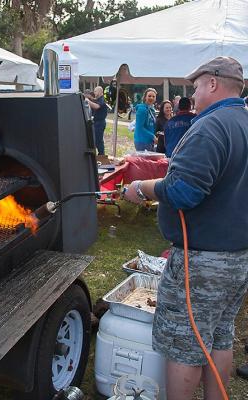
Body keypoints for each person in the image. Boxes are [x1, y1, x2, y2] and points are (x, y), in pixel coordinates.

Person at [124, 56, 248, 400]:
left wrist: (143, 188)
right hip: (237, 258)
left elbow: (184, 191)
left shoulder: (212, 126)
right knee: (219, 336)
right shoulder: (243, 121)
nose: (191, 93)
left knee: (184, 345)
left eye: (195, 85)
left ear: (213, 83)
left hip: (202, 262)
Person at [86, 86, 107, 155]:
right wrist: (89, 98)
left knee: (98, 141)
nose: (94, 93)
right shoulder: (98, 99)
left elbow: (97, 106)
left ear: (100, 92)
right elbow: (94, 100)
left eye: (95, 91)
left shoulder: (102, 99)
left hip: (100, 123)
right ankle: (99, 155)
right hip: (96, 122)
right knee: (95, 140)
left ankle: (102, 155)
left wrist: (88, 101)